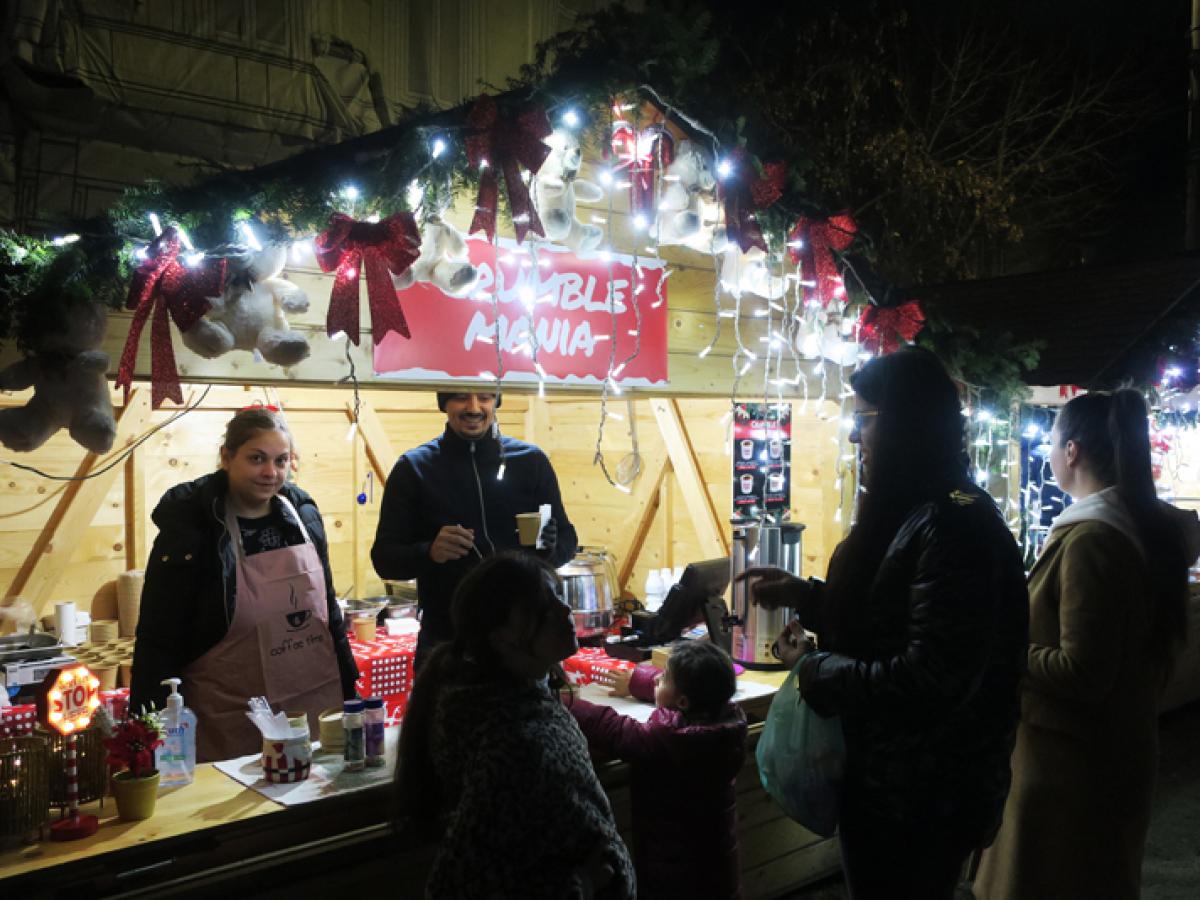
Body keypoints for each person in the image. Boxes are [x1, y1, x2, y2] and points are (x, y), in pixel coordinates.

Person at [739, 348, 1029, 900]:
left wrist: (815, 669)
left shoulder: (954, 524)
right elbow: (891, 616)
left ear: (904, 424)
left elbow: (930, 678)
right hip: (893, 786)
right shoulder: (919, 508)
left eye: (864, 419)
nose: (854, 437)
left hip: (922, 801)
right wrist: (809, 598)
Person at [973, 390, 1200, 900]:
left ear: (1071, 451)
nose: (1050, 455)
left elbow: (1083, 670)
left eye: (1052, 443)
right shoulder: (1136, 528)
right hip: (1106, 756)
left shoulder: (1093, 540)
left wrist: (1003, 648)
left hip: (1069, 774)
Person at [394, 551, 635, 900]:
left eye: (558, 597)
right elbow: (455, 884)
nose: (564, 611)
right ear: (500, 637)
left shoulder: (505, 704)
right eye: (542, 609)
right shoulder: (514, 747)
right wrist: (580, 885)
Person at [130, 406, 358, 762]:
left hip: (312, 702)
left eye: (281, 461)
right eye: (257, 458)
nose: (271, 472)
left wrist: (349, 687)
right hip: (229, 716)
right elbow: (158, 636)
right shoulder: (194, 529)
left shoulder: (302, 516)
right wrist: (146, 732)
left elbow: (328, 607)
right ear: (227, 457)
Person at [371, 390, 578, 668]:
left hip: (525, 642)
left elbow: (568, 540)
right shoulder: (415, 468)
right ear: (444, 403)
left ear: (496, 401)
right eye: (460, 397)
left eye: (485, 397)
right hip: (448, 643)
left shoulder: (531, 462)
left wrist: (549, 550)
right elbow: (384, 559)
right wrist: (429, 552)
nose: (473, 407)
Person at [568, 641, 748, 900]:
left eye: (663, 678)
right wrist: (635, 681)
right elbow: (685, 687)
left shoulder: (668, 739)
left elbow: (612, 727)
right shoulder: (726, 719)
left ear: (682, 702)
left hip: (675, 875)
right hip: (718, 868)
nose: (656, 679)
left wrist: (566, 701)